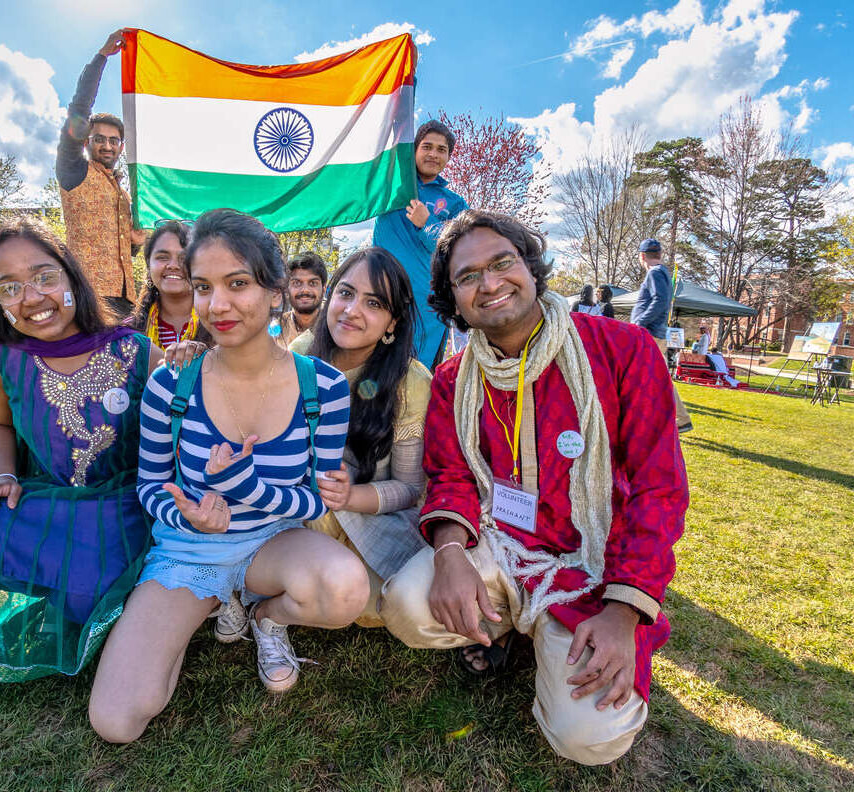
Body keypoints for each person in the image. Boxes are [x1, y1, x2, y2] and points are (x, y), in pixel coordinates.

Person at [379, 210, 688, 766]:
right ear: (453, 299)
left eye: (502, 263)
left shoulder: (624, 350)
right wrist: (450, 552)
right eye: (467, 276)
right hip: (499, 544)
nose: (490, 283)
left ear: (531, 265)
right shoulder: (453, 380)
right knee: (405, 604)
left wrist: (623, 612)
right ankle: (506, 628)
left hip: (591, 566)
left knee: (589, 740)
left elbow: (657, 489)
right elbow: (450, 475)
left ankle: (550, 633)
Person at [89, 209, 366, 744]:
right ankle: (215, 602)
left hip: (273, 545)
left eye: (237, 283)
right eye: (202, 287)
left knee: (344, 590)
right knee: (118, 720)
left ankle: (264, 616)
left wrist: (242, 488)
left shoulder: (325, 388)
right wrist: (187, 513)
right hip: (187, 554)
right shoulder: (171, 385)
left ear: (275, 290)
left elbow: (318, 501)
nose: (217, 305)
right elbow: (149, 485)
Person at [0, 216, 163, 686]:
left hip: (127, 505)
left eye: (44, 277)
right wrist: (3, 477)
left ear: (71, 277)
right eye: (9, 288)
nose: (33, 298)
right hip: (49, 504)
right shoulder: (1, 360)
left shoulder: (136, 350)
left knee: (96, 589)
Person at [290, 248, 431, 627]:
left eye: (373, 303)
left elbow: (409, 488)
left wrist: (350, 496)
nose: (352, 310)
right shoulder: (300, 356)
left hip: (373, 515)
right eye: (346, 293)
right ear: (330, 296)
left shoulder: (411, 384)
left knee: (369, 603)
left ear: (391, 323)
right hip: (301, 509)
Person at [56, 29, 145, 315]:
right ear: (86, 141)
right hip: (87, 293)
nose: (107, 145)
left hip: (125, 297)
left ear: (121, 146)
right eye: (99, 139)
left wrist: (136, 242)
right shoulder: (74, 170)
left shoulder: (123, 192)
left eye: (114, 140)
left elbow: (125, 248)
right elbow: (78, 109)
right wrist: (101, 58)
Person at [372, 120, 469, 369]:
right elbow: (393, 124)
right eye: (427, 146)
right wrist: (404, 84)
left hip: (427, 312)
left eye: (441, 149)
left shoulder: (455, 203)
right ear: (413, 150)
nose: (433, 154)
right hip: (382, 295)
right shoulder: (392, 185)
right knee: (372, 374)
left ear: (449, 156)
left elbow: (460, 251)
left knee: (416, 380)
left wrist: (428, 223)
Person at [629, 239, 692, 433]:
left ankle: (677, 419)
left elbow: (660, 301)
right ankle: (677, 419)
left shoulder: (655, 273)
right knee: (655, 378)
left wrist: (639, 323)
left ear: (642, 256)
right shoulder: (660, 273)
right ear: (659, 254)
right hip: (653, 333)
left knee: (649, 378)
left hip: (650, 334)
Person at [130, 221, 209, 347]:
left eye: (184, 258)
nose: (173, 265)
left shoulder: (220, 327)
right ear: (148, 265)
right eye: (162, 257)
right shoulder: (128, 334)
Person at [278, 251, 327, 347]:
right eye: (297, 283)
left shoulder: (334, 329)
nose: (305, 290)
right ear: (286, 289)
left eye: (313, 283)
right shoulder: (275, 330)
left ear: (324, 289)